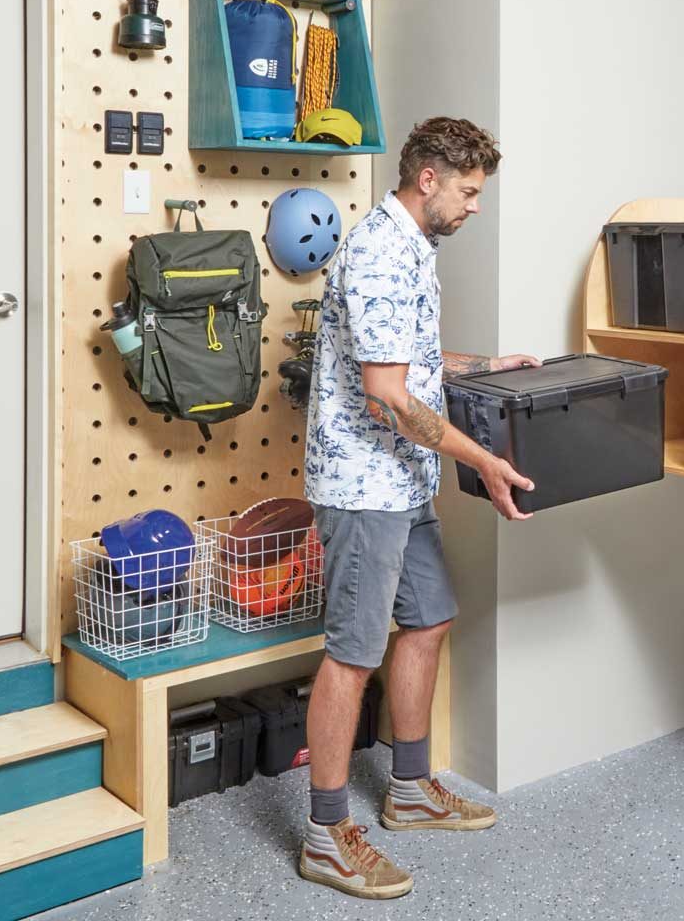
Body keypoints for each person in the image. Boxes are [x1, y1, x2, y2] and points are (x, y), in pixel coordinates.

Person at [299, 117, 539, 900]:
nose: (476, 207)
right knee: (352, 652)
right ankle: (326, 833)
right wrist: (485, 462)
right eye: (469, 192)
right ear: (429, 180)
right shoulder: (375, 251)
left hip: (404, 480)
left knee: (429, 619)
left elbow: (408, 360)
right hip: (366, 487)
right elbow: (390, 397)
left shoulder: (413, 248)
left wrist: (484, 364)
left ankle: (406, 790)